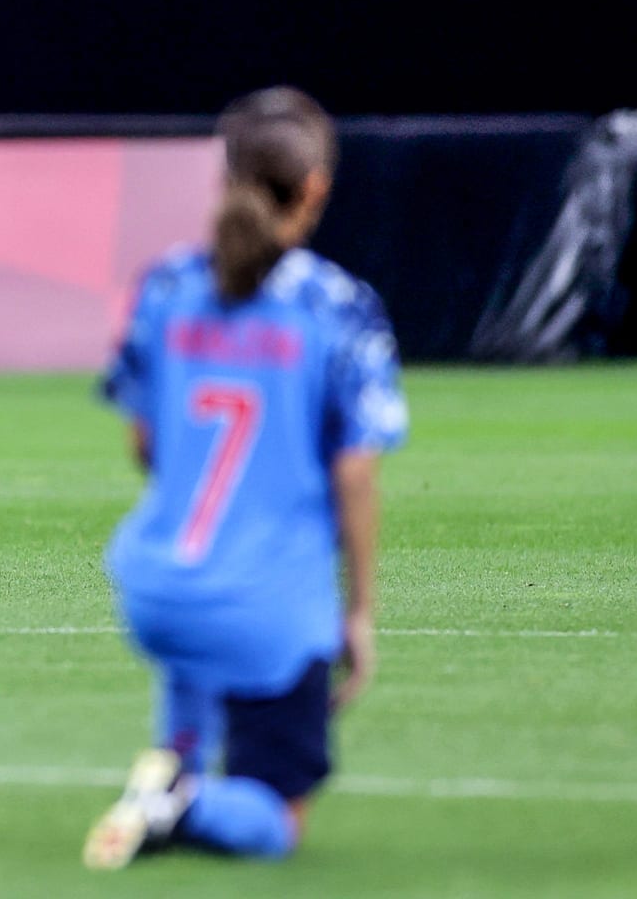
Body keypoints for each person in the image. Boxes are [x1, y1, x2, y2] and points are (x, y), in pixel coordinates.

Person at [82, 87, 408, 868]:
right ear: (317, 188)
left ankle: (173, 781)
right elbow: (355, 473)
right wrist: (357, 611)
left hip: (157, 585)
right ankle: (183, 803)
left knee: (188, 731)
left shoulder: (164, 287)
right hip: (268, 605)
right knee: (274, 817)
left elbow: (144, 440)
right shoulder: (339, 307)